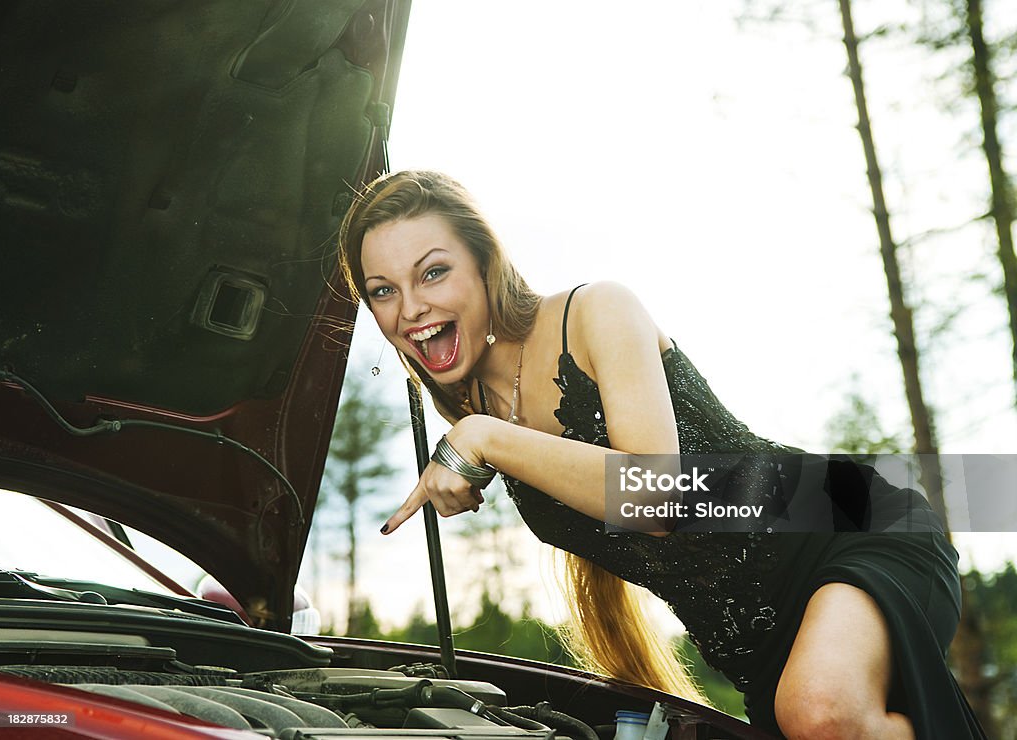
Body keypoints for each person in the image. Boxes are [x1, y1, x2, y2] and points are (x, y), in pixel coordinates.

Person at [337, 170, 986, 739]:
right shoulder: (469, 401)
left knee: (822, 714)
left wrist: (484, 438)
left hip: (851, 523)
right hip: (752, 646)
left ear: (484, 261)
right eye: (383, 290)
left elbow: (659, 497)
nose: (412, 308)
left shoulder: (596, 310)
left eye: (433, 271)